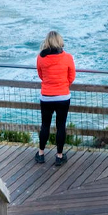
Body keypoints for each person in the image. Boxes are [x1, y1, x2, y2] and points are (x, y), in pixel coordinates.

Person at [35, 30, 75, 166]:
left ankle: (41, 153)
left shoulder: (40, 57)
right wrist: (63, 86)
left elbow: (41, 75)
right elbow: (72, 76)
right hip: (63, 96)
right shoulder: (68, 57)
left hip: (46, 96)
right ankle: (59, 155)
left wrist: (49, 84)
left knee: (45, 125)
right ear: (59, 41)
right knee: (61, 126)